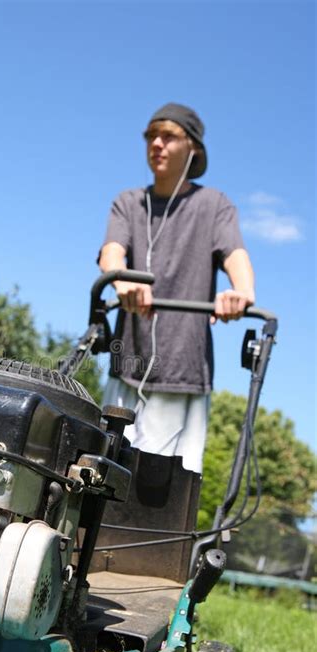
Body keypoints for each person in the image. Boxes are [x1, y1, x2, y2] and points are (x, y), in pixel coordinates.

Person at [98, 102, 255, 474]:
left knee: (161, 493)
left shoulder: (213, 205)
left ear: (193, 148)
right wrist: (122, 282)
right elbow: (111, 253)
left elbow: (236, 257)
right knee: (103, 474)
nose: (157, 144)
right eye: (151, 136)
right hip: (127, 366)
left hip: (183, 372)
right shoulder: (129, 203)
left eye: (168, 136)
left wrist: (242, 292)